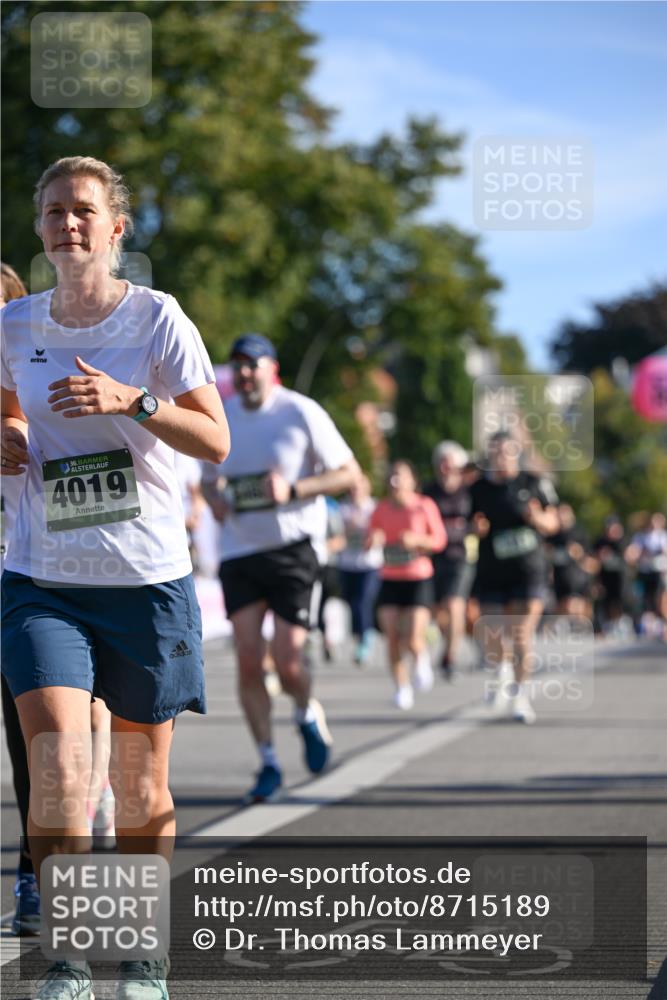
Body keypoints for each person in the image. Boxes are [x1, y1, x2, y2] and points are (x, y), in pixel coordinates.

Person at [1, 156, 229, 1000]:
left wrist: (130, 402)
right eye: (55, 211)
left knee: (137, 781)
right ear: (40, 228)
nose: (69, 223)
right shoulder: (14, 324)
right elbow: (7, 415)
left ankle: (144, 955)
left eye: (85, 210)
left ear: (115, 227)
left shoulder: (159, 319)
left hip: (145, 579)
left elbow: (214, 442)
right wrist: (7, 440)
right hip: (41, 577)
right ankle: (64, 961)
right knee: (59, 765)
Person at [201, 333, 357, 803]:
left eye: (254, 364)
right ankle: (267, 760)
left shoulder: (300, 411)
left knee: (288, 663)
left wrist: (295, 489)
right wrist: (217, 502)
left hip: (293, 549)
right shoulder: (222, 417)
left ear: (273, 369)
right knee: (249, 660)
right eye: (238, 365)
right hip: (240, 552)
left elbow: (349, 475)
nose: (245, 373)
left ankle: (307, 712)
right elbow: (208, 480)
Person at [469, 432, 559, 724]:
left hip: (528, 570)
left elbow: (553, 522)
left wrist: (537, 519)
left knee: (521, 634)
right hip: (492, 570)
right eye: (496, 452)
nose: (502, 457)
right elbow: (468, 525)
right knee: (492, 634)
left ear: (516, 453)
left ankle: (521, 695)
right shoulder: (478, 489)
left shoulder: (533, 484)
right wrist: (475, 529)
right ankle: (501, 670)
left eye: (507, 451)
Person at [368, 460, 446, 709]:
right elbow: (371, 534)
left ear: (412, 481)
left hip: (417, 577)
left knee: (412, 637)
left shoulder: (424, 506)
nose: (395, 481)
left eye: (400, 476)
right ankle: (402, 687)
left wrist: (417, 540)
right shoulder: (381, 508)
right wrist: (374, 538)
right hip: (390, 577)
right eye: (391, 476)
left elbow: (439, 540)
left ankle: (421, 659)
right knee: (391, 636)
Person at [423, 440, 473, 679]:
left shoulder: (469, 492)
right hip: (432, 556)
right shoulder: (427, 492)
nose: (445, 467)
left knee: (455, 605)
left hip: (461, 556)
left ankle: (450, 656)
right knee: (437, 610)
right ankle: (446, 642)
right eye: (441, 462)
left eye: (450, 463)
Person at [337, 473, 382, 665]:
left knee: (364, 600)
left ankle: (366, 639)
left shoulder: (375, 508)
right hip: (347, 563)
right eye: (353, 487)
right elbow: (335, 534)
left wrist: (372, 535)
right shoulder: (342, 508)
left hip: (370, 564)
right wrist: (347, 530)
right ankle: (361, 635)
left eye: (359, 487)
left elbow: (383, 532)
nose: (355, 491)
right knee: (352, 602)